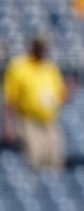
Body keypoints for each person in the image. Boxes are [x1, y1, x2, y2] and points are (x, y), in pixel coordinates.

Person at [2, 36, 69, 171]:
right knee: (35, 159)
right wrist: (8, 125)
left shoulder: (50, 68)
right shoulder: (19, 67)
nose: (42, 51)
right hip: (29, 120)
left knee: (56, 160)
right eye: (39, 47)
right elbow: (10, 100)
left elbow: (60, 96)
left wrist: (67, 94)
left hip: (50, 121)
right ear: (32, 47)